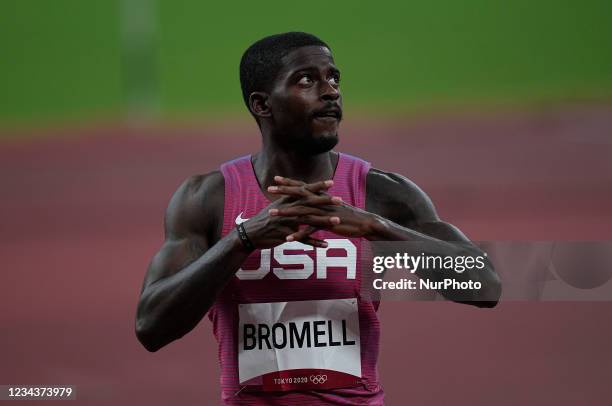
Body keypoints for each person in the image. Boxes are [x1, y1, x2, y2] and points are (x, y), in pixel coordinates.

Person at [135, 32, 501, 405]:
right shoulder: (208, 199)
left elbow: (487, 286)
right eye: (307, 80)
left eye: (334, 78)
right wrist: (241, 240)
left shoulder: (382, 194)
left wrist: (378, 227)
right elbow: (151, 327)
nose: (331, 92)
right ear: (262, 104)